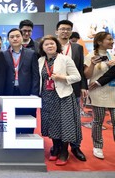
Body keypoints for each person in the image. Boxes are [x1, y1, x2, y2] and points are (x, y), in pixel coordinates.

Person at [38, 35, 82, 166]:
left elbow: (77, 77)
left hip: (63, 97)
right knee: (51, 123)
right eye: (46, 44)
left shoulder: (65, 59)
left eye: (52, 44)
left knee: (65, 124)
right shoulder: (40, 60)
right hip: (46, 97)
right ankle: (55, 147)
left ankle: (64, 151)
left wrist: (62, 78)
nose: (50, 46)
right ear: (42, 48)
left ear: (57, 45)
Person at [55, 19, 87, 161]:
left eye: (68, 29)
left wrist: (83, 86)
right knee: (56, 119)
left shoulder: (77, 48)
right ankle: (57, 146)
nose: (65, 31)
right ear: (57, 31)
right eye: (62, 29)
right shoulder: (50, 46)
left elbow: (80, 69)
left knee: (74, 119)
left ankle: (75, 147)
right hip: (54, 89)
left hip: (73, 88)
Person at [84, 32, 115, 160]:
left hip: (112, 92)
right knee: (98, 121)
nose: (112, 41)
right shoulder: (90, 55)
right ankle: (97, 146)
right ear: (100, 42)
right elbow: (86, 75)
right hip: (97, 92)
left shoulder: (111, 55)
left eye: (112, 39)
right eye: (109, 39)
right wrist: (92, 64)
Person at [3, 28, 39, 134]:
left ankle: (27, 140)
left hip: (26, 92)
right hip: (9, 91)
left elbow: (35, 75)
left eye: (17, 36)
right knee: (11, 118)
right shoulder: (3, 54)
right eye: (12, 37)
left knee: (27, 118)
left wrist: (34, 93)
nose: (15, 39)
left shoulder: (31, 54)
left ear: (22, 37)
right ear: (8, 39)